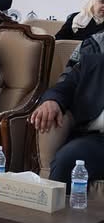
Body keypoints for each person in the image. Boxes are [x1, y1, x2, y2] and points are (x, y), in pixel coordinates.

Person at [30, 54, 104, 188]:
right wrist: (52, 101)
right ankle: (57, 202)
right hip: (96, 141)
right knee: (67, 159)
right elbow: (64, 88)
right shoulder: (92, 63)